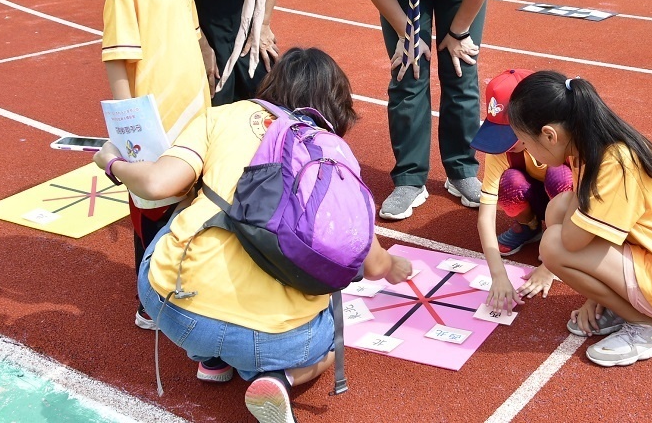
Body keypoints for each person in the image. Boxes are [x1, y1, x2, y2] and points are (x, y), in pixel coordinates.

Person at [93, 47, 413, 423]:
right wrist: (392, 265)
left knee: (187, 207)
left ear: (272, 87)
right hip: (275, 339)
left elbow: (158, 184)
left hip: (173, 308)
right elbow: (370, 264)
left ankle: (209, 360)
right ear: (337, 105)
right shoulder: (334, 153)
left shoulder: (221, 116)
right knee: (330, 337)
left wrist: (111, 161)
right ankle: (279, 379)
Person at [505, 72, 652, 368]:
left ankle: (651, 326)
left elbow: (572, 241)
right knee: (559, 208)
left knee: (553, 245)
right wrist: (596, 294)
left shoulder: (614, 162)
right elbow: (596, 228)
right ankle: (625, 305)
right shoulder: (589, 147)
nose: (526, 150)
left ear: (550, 135)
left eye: (526, 142)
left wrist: (593, 287)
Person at [346, 0, 502, 220]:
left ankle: (462, 172)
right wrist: (407, 34)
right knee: (407, 73)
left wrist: (459, 32)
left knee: (461, 71)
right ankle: (409, 179)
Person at [102, 0, 219, 329]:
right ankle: (148, 301)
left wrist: (206, 56)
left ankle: (180, 288)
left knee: (187, 213)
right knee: (153, 218)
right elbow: (118, 61)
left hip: (191, 120)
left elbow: (191, 35)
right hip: (153, 132)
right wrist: (131, 136)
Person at [473, 69, 574, 313]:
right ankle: (530, 228)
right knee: (511, 181)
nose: (502, 144)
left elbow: (588, 205)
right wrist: (498, 275)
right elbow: (484, 217)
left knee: (558, 174)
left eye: (510, 134)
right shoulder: (502, 152)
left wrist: (550, 265)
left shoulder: (572, 146)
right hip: (536, 196)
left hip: (570, 205)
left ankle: (558, 238)